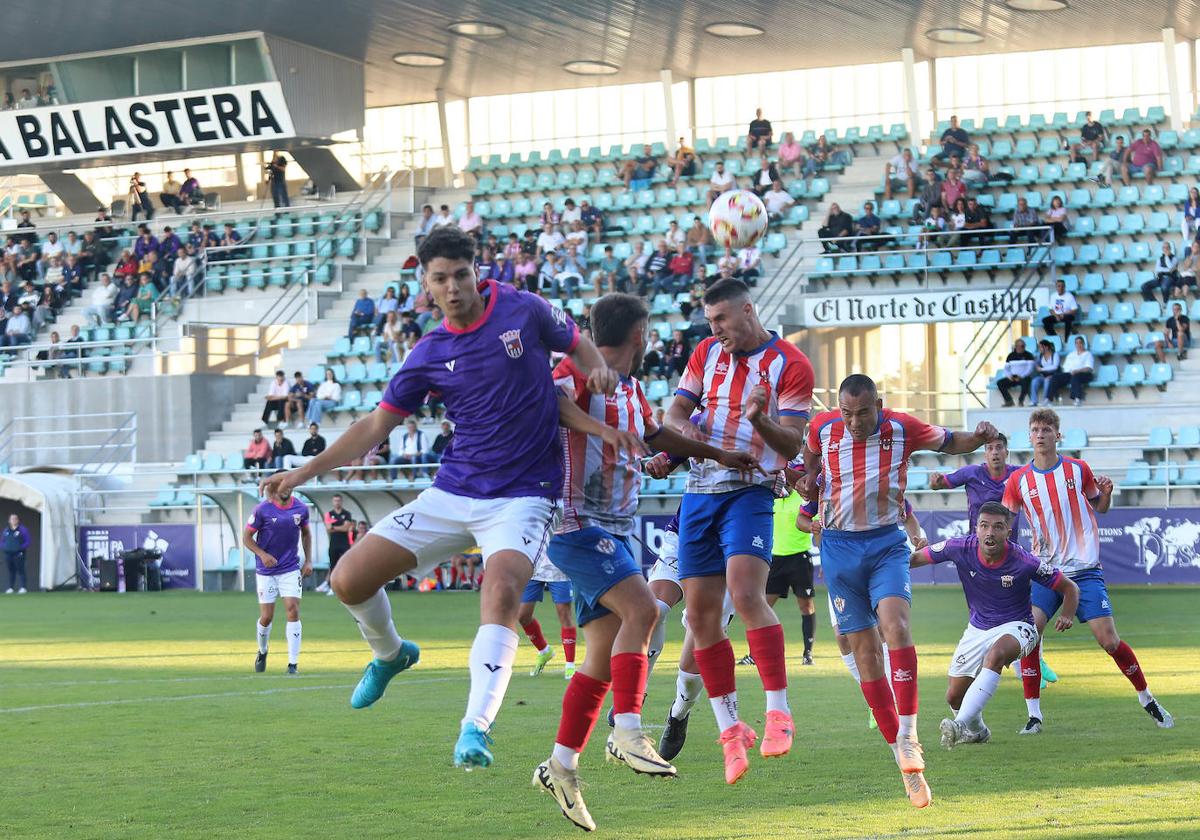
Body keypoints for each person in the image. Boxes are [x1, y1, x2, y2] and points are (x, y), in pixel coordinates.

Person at [261, 225, 620, 771]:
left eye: (460, 274)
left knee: (500, 594)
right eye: (439, 279)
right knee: (348, 579)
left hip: (524, 495)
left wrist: (595, 364)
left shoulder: (523, 310)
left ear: (476, 271)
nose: (452, 287)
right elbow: (377, 425)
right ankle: (391, 654)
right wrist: (304, 472)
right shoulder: (428, 352)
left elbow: (576, 342)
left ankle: (475, 727)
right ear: (425, 286)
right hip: (453, 491)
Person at [535, 292, 760, 829]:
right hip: (576, 524)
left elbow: (658, 435)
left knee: (600, 653)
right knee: (647, 612)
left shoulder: (633, 391)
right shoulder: (570, 373)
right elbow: (546, 403)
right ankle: (628, 731)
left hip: (611, 528)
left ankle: (560, 765)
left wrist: (719, 455)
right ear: (641, 334)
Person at [801, 374, 999, 808]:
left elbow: (950, 441)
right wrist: (806, 478)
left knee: (897, 627)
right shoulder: (822, 427)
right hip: (838, 548)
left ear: (879, 404)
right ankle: (901, 757)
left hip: (887, 544)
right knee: (865, 651)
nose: (854, 422)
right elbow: (808, 458)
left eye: (864, 412)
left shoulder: (902, 428)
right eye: (847, 412)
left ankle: (909, 736)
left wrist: (980, 437)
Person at [663, 278, 813, 785]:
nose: (716, 330)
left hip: (749, 492)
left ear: (748, 310)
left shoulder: (791, 364)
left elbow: (792, 444)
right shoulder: (706, 353)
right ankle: (731, 732)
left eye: (722, 319)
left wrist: (759, 419)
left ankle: (778, 712)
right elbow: (676, 412)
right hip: (700, 493)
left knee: (747, 594)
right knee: (701, 617)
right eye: (710, 322)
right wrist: (685, 443)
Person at [1002, 409, 1174, 733]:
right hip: (1045, 572)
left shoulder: (1078, 469)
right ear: (1029, 436)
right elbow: (1006, 526)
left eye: (1047, 429)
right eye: (1035, 429)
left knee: (1109, 641)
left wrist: (1106, 494)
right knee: (1028, 635)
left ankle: (1147, 698)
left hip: (1084, 570)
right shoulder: (1018, 481)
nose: (1041, 434)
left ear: (1058, 435)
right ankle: (1034, 715)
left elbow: (1100, 507)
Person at [910, 503, 1078, 749]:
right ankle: (978, 731)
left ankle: (958, 726)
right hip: (977, 628)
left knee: (996, 655)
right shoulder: (959, 547)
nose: (990, 532)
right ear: (976, 529)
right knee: (954, 695)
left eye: (998, 527)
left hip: (1020, 626)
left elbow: (1070, 587)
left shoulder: (1024, 560)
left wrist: (1068, 614)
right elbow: (913, 560)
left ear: (1008, 532)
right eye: (984, 526)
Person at [244, 483, 312, 675]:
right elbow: (247, 537)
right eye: (282, 484)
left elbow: (306, 534)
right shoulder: (262, 510)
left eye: (289, 484)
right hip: (266, 571)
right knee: (267, 617)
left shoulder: (301, 508)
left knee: (293, 610)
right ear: (274, 488)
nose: (286, 488)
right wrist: (262, 554)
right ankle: (263, 650)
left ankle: (293, 664)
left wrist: (308, 561)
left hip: (290, 568)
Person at [768, 466, 817, 665]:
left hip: (799, 558)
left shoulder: (805, 501)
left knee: (806, 606)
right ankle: (756, 653)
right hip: (775, 559)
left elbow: (816, 526)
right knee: (760, 607)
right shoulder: (772, 498)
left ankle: (808, 653)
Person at [519, 552, 577, 678]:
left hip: (559, 568)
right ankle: (544, 651)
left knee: (564, 615)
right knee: (522, 615)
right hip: (534, 569)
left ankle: (570, 666)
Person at [314, 494, 354, 595]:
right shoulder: (329, 514)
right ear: (333, 502)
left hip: (344, 543)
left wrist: (334, 527)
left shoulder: (347, 514)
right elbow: (328, 528)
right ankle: (332, 587)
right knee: (333, 565)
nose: (337, 503)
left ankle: (347, 586)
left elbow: (346, 528)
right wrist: (339, 527)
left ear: (341, 502)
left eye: (339, 501)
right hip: (333, 544)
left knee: (345, 565)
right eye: (335, 501)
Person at [1052, 336, 1094, 407]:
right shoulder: (1071, 354)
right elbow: (1065, 367)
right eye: (1077, 343)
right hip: (1071, 373)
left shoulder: (1088, 354)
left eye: (1080, 343)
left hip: (1085, 374)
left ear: (1083, 344)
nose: (1078, 345)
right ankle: (1050, 398)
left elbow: (1089, 368)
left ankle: (1077, 398)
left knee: (1075, 377)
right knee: (1055, 377)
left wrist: (1077, 371)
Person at [996, 339, 1036, 407]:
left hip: (1023, 377)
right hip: (1013, 377)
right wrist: (1009, 376)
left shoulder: (1029, 355)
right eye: (1020, 346)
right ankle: (1009, 401)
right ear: (1016, 346)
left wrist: (1021, 376)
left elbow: (1030, 369)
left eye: (1023, 346)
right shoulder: (1010, 356)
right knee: (1000, 383)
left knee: (1027, 382)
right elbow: (1006, 369)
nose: (1021, 348)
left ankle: (1021, 401)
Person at [1042, 278, 1078, 343]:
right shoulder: (1053, 296)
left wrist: (1064, 314)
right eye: (1059, 286)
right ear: (1056, 287)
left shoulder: (1069, 296)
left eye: (1062, 286)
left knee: (1068, 319)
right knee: (1045, 320)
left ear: (1064, 287)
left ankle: (1067, 339)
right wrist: (1056, 316)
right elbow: (1050, 309)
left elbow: (1074, 310)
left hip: (1066, 315)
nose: (1060, 288)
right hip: (1057, 315)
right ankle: (1055, 337)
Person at [2, 514, 30, 594]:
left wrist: (19, 548)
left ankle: (23, 587)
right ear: (9, 521)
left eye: (15, 519)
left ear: (18, 520)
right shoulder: (6, 530)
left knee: (21, 570)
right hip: (8, 554)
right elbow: (2, 541)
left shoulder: (23, 529)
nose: (13, 520)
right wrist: (5, 547)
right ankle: (11, 587)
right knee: (11, 571)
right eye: (12, 519)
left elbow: (28, 541)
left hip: (19, 554)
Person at [1028, 339, 1061, 407]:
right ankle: (1034, 401)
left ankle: (1046, 400)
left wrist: (1042, 369)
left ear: (1046, 347)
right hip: (1043, 375)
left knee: (1047, 380)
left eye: (1040, 347)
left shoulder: (1055, 355)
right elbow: (1037, 365)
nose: (1039, 349)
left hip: (1053, 376)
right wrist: (1036, 364)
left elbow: (1055, 367)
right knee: (1035, 381)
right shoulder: (1040, 356)